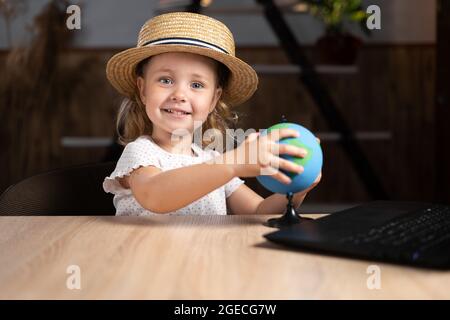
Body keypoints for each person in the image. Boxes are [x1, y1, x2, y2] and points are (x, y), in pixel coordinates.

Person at [103, 12, 321, 216]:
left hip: (205, 257)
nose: (179, 94)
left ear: (214, 99)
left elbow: (258, 211)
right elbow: (155, 196)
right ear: (143, 90)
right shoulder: (140, 153)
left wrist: (297, 190)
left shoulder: (213, 160)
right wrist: (233, 163)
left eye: (196, 84)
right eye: (166, 80)